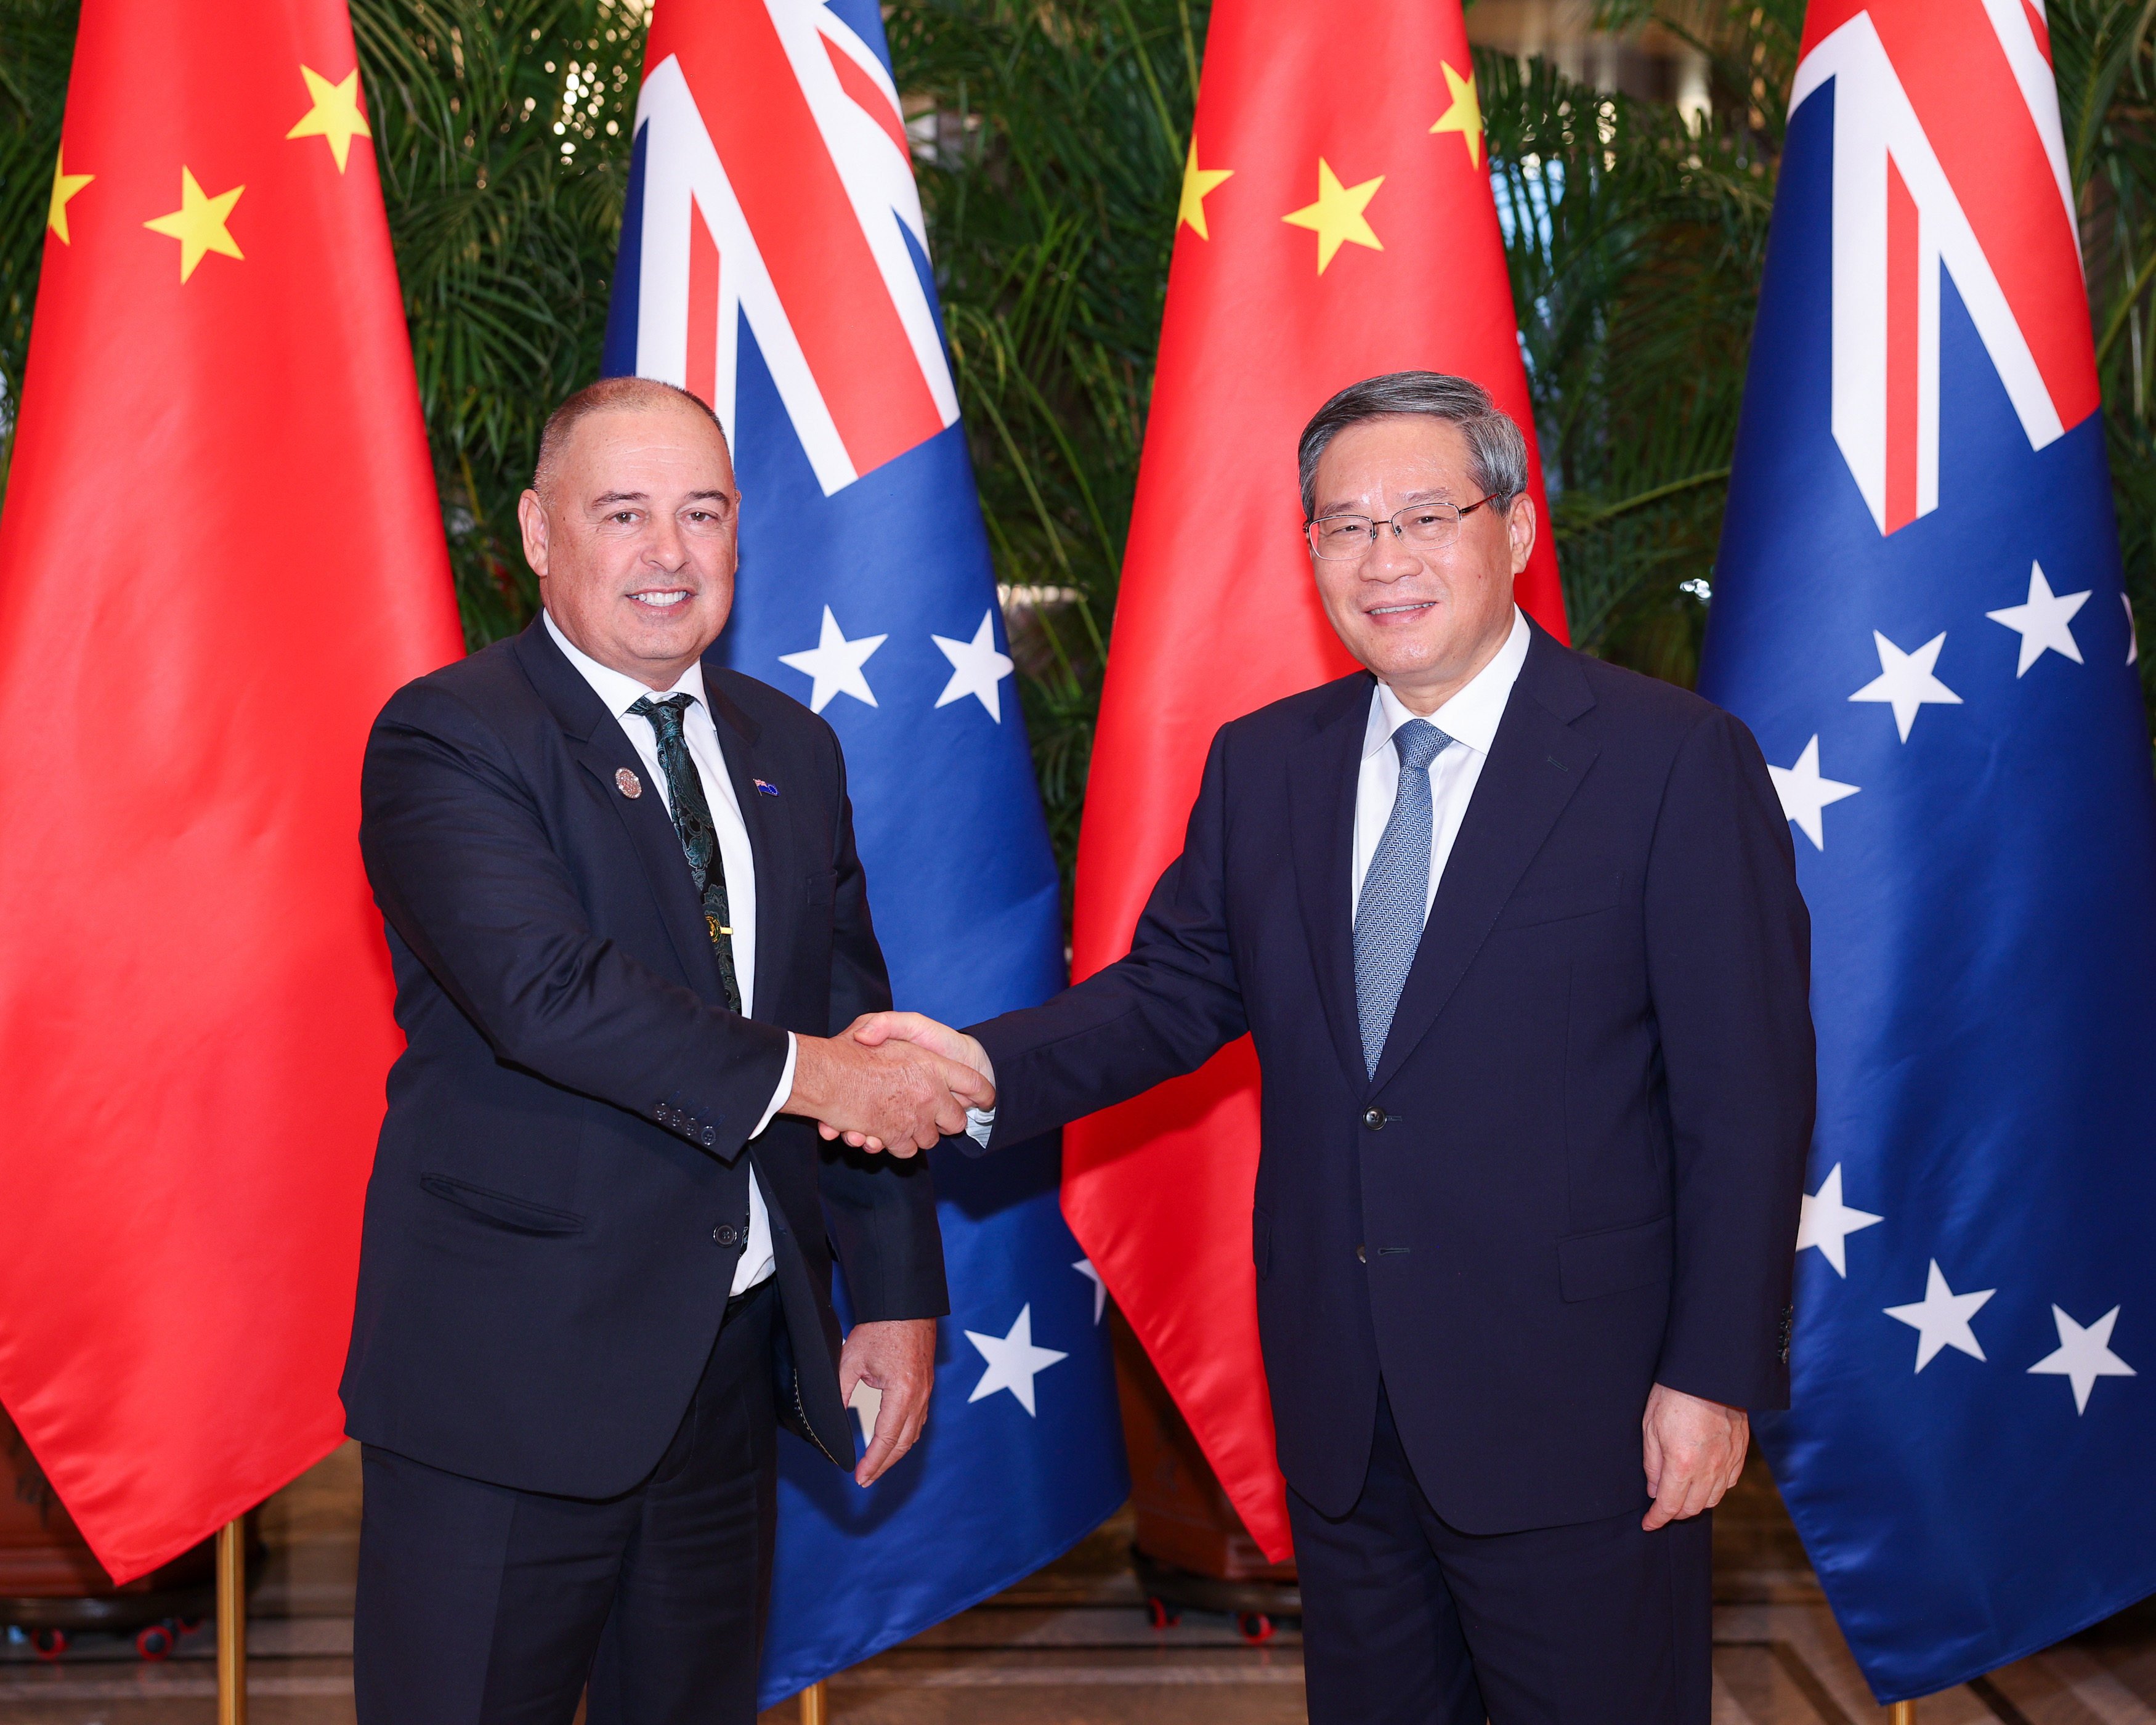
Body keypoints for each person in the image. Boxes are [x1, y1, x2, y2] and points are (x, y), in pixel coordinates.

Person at [851, 371, 1814, 1723]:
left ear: (1516, 529)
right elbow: (1171, 991)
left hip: (1583, 1414)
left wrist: (1710, 1377)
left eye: (1425, 515)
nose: (1386, 558)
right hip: (1346, 1407)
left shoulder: (1671, 760)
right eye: (1345, 526)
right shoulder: (1270, 766)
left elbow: (1747, 1103)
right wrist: (973, 1068)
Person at [341, 376, 993, 1725]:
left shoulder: (790, 747)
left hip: (723, 1371)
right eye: (623, 512)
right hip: (505, 1388)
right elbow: (549, 994)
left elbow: (855, 1013)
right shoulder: (450, 736)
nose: (669, 552)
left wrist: (890, 1287)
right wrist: (824, 1075)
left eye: (702, 512)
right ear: (535, 531)